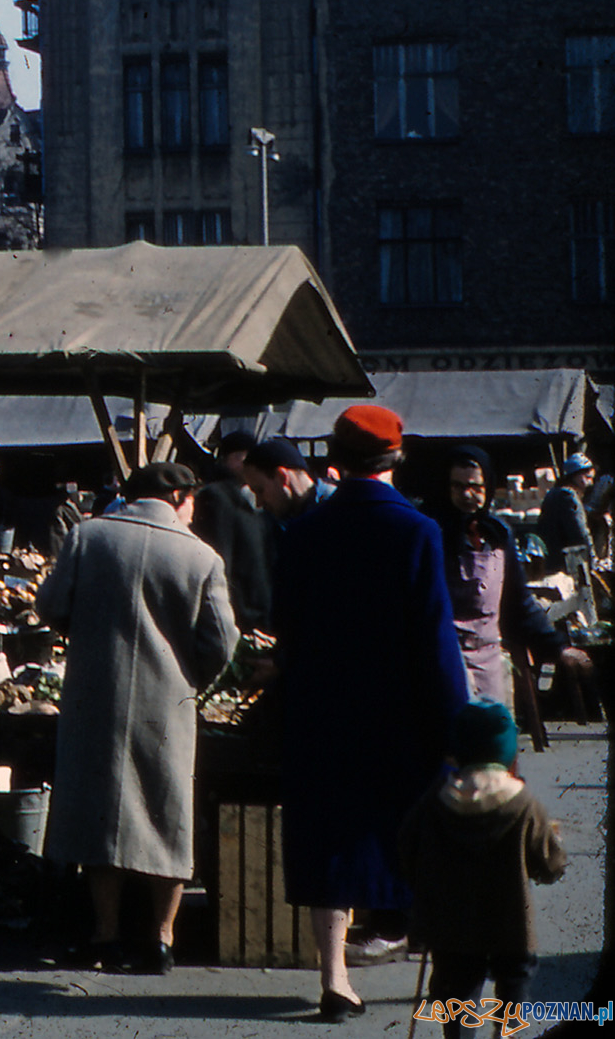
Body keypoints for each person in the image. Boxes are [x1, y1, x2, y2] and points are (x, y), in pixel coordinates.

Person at [273, 404, 467, 1020]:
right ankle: (439, 972)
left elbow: (288, 632)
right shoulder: (417, 532)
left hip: (323, 709)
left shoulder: (305, 533)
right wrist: (458, 725)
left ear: (336, 460)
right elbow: (436, 640)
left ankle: (334, 976)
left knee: (330, 837)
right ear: (396, 459)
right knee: (412, 833)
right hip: (400, 715)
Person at [37, 460, 238, 976]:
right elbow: (222, 642)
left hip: (93, 695)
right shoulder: (201, 556)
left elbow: (52, 605)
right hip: (167, 700)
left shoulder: (87, 536)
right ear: (179, 498)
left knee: (100, 813)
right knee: (166, 815)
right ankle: (161, 940)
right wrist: (192, 679)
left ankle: (104, 936)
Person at [395, 700, 567, 1038]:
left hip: (451, 922)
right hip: (511, 920)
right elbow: (549, 862)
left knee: (455, 984)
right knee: (515, 978)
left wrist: (419, 881)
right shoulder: (523, 803)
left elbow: (407, 846)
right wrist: (551, 864)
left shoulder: (436, 800)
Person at [421, 446, 559, 712]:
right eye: (458, 486)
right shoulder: (432, 532)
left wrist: (556, 645)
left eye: (475, 487)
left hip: (489, 663)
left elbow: (518, 601)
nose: (467, 495)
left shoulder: (498, 534)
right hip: (446, 662)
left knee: (493, 746)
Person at [192, 430, 277, 630]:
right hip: (240, 615)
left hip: (261, 611)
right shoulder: (216, 496)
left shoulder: (251, 494)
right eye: (243, 456)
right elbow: (221, 558)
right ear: (226, 459)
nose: (250, 463)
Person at [238, 435, 328, 525]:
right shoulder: (271, 523)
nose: (259, 503)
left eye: (260, 491)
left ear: (282, 477)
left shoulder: (334, 511)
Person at [537, 453, 595, 567]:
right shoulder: (569, 497)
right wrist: (592, 558)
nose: (590, 482)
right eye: (587, 477)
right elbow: (580, 532)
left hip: (549, 557)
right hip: (565, 560)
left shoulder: (552, 493)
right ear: (575, 476)